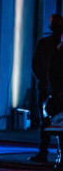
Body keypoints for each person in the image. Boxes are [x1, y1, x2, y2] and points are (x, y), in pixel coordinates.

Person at [30, 14, 63, 162]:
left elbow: (36, 65)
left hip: (51, 88)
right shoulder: (45, 43)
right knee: (48, 119)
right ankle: (46, 151)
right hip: (48, 88)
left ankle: (45, 151)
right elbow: (36, 65)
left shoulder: (45, 43)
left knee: (49, 119)